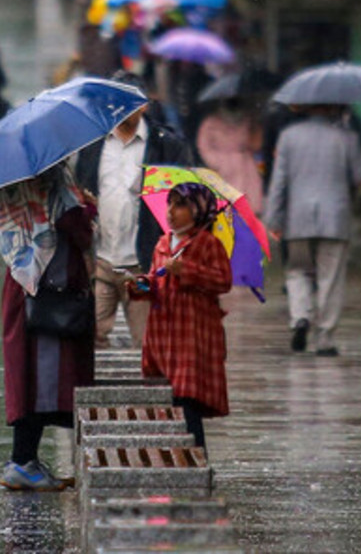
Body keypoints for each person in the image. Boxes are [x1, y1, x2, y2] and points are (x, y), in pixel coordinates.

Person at [75, 71, 194, 350]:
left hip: (142, 264)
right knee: (88, 337)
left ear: (144, 106)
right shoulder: (93, 146)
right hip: (101, 260)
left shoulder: (166, 145)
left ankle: (154, 389)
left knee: (147, 341)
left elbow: (187, 202)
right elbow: (81, 191)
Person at [0, 163, 96, 491]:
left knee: (28, 373)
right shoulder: (53, 178)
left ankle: (24, 458)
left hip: (21, 281)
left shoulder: (11, 176)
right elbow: (76, 226)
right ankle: (23, 461)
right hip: (47, 290)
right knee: (43, 376)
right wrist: (89, 206)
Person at [127, 182, 232, 448]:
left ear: (197, 210)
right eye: (170, 204)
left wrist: (187, 269)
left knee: (187, 398)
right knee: (168, 398)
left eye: (181, 205)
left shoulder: (208, 244)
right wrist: (141, 285)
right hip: (163, 335)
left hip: (192, 335)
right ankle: (175, 456)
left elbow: (222, 281)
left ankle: (195, 456)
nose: (171, 211)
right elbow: (155, 280)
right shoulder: (163, 243)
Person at [265, 105, 361, 356]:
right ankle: (324, 338)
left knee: (298, 270)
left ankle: (300, 317)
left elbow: (279, 181)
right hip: (335, 217)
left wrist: (273, 219)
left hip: (297, 217)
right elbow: (360, 177)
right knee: (330, 277)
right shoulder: (348, 137)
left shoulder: (289, 136)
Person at [196, 99, 264, 215]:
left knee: (249, 204)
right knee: (225, 203)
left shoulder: (247, 120)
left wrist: (254, 127)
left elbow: (256, 145)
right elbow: (204, 146)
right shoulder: (210, 123)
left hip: (245, 165)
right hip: (222, 167)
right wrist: (216, 162)